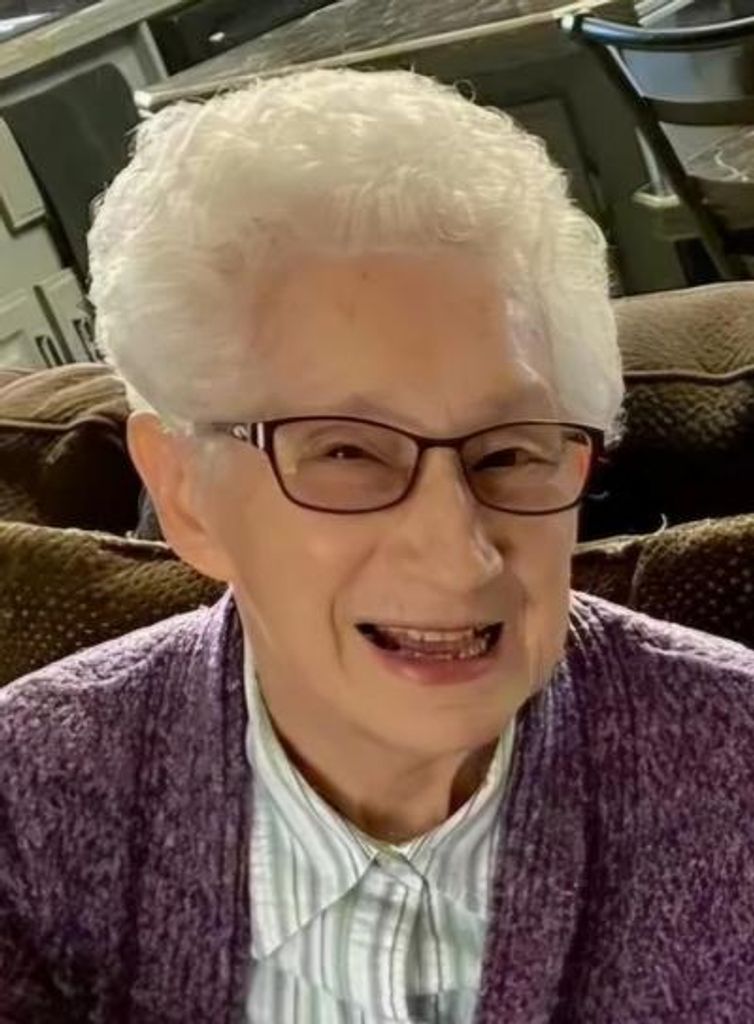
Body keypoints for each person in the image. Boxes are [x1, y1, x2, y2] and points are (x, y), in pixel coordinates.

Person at [1, 68, 753, 1024]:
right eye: (347, 453)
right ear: (186, 493)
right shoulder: (28, 811)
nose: (459, 556)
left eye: (510, 452)